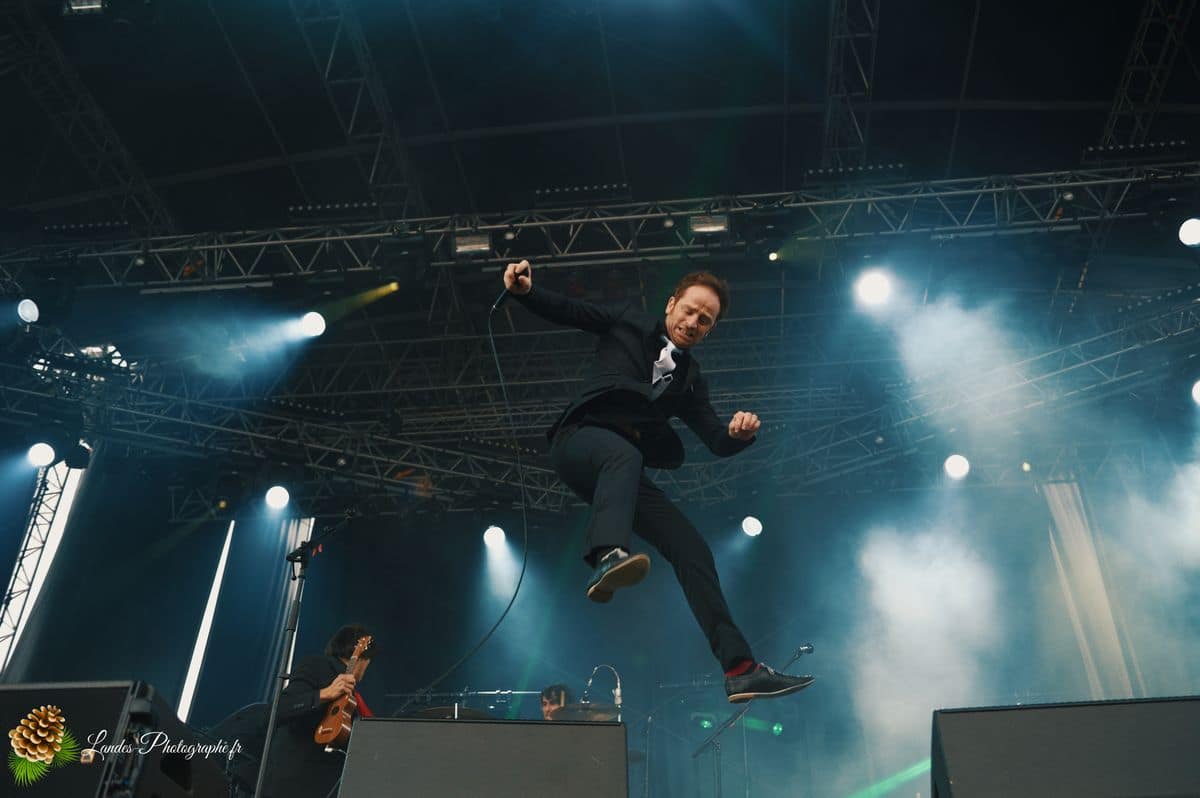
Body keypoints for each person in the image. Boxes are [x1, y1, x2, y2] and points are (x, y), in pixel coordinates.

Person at [504, 260, 813, 703]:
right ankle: (607, 554)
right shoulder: (629, 322)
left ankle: (740, 668)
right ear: (671, 305)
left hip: (621, 473)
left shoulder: (690, 380)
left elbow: (713, 438)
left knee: (691, 548)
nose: (693, 323)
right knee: (623, 453)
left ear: (710, 331)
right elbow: (572, 311)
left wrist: (738, 434)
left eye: (705, 321)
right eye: (689, 311)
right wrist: (526, 292)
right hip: (580, 441)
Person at [263, 624, 376, 798]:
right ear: (362, 656)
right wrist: (325, 693)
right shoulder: (316, 665)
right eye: (370, 661)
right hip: (295, 781)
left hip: (329, 785)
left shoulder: (354, 692)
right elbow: (280, 709)